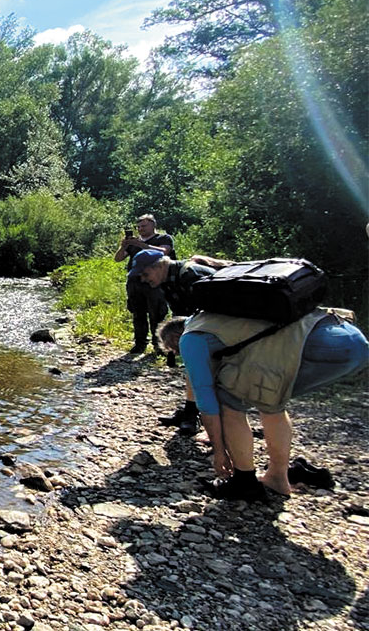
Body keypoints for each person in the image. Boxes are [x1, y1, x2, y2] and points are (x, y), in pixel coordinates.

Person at [159, 311, 368, 500]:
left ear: (176, 338)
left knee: (227, 400)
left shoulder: (190, 339)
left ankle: (245, 482)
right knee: (269, 399)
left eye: (175, 352)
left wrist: (220, 453)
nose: (181, 357)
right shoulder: (213, 316)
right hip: (349, 336)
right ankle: (277, 476)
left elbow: (206, 402)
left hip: (323, 348)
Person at [128, 249, 221, 430]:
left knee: (207, 374)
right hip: (199, 331)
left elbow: (210, 314)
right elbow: (180, 314)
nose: (143, 279)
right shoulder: (167, 281)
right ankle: (190, 412)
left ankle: (211, 424)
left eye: (145, 274)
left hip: (220, 331)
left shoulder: (191, 276)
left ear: (160, 265)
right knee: (192, 369)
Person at [114, 214, 175, 355]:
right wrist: (123, 246)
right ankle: (139, 344)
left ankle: (158, 345)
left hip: (156, 281)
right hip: (135, 281)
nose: (140, 229)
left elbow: (165, 251)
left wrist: (141, 245)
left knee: (157, 313)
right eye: (139, 227)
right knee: (137, 312)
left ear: (153, 225)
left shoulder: (163, 238)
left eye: (144, 226)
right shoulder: (134, 242)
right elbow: (118, 259)